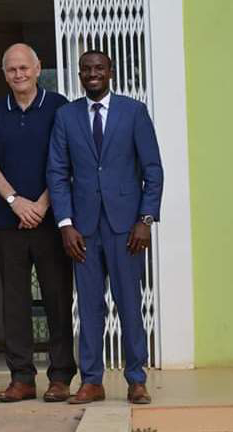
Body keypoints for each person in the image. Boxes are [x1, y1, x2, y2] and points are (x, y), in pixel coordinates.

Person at [47, 50, 164, 404]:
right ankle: (92, 380)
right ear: (79, 74)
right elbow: (56, 172)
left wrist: (145, 220)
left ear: (111, 72)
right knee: (89, 306)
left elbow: (153, 170)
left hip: (126, 228)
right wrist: (65, 223)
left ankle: (136, 378)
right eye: (86, 69)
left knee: (129, 303)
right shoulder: (66, 116)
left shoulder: (134, 111)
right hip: (83, 230)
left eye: (99, 68)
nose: (92, 73)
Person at [0, 43, 77, 403]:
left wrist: (40, 203)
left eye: (24, 68)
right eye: (11, 70)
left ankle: (61, 376)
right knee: (14, 302)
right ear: (4, 73)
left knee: (57, 298)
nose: (18, 75)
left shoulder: (58, 106)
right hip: (9, 222)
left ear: (38, 68)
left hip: (53, 221)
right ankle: (21, 378)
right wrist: (14, 201)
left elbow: (68, 161)